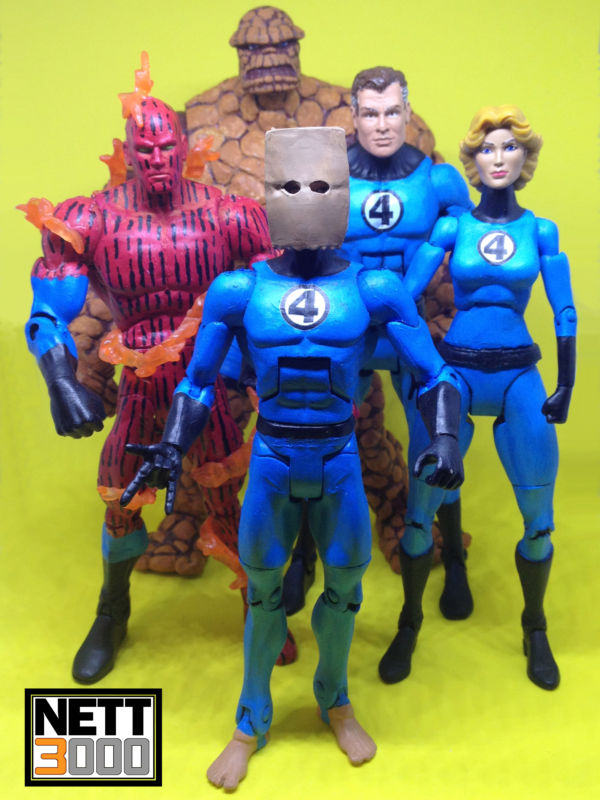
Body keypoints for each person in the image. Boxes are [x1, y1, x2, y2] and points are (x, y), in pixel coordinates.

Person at [121, 126, 464, 789]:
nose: (306, 197)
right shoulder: (238, 290)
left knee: (344, 593)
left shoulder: (375, 288)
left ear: (344, 193)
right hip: (273, 457)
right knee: (263, 595)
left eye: (322, 185)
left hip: (338, 458)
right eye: (291, 185)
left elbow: (435, 374)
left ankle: (335, 700)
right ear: (269, 195)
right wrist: (171, 446)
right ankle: (250, 721)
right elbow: (198, 382)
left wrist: (445, 437)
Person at [22, 69, 273, 684]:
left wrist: (269, 379)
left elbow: (269, 302)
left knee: (226, 496)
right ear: (128, 152)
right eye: (145, 149)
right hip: (136, 377)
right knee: (119, 498)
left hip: (205, 375)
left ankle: (258, 606)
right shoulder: (92, 219)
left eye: (166, 147)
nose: (157, 159)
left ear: (183, 145)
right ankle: (112, 608)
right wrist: (60, 380)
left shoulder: (230, 214)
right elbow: (47, 311)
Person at [399, 105, 576, 690]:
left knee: (539, 521)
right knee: (419, 513)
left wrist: (567, 383)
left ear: (526, 158)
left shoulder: (540, 231)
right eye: (487, 148)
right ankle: (410, 618)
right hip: (456, 370)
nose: (499, 158)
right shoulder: (453, 228)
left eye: (510, 147)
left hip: (519, 374)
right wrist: (421, 363)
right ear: (473, 160)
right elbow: (402, 297)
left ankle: (535, 624)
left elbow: (564, 310)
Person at [337, 67, 474, 683]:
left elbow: (476, 244)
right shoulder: (330, 171)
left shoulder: (437, 179)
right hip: (347, 325)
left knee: (438, 439)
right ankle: (304, 556)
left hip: (410, 326)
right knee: (317, 434)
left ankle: (454, 552)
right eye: (370, 113)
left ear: (408, 110)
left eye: (392, 112)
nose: (382, 124)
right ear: (354, 114)